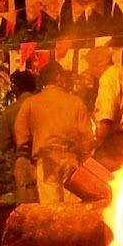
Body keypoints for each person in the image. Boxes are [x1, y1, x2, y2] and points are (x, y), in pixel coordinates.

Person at [14, 62, 93, 205]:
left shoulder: (31, 103)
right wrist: (84, 159)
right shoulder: (76, 102)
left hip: (46, 161)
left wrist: (24, 157)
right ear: (58, 77)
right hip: (72, 160)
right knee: (73, 208)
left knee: (50, 208)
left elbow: (21, 134)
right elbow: (87, 137)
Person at [0, 70, 39, 203]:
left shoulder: (10, 111)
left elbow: (3, 144)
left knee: (27, 212)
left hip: (24, 161)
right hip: (47, 159)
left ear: (16, 88)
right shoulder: (45, 104)